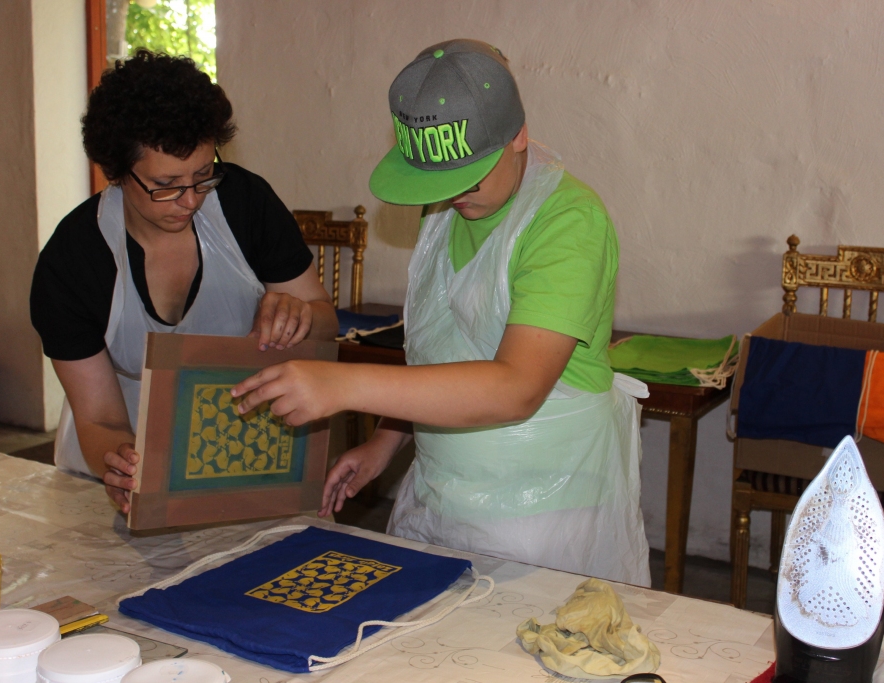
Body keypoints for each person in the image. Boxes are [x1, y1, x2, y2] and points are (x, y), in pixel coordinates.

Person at [232, 39, 650, 584]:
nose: (453, 195)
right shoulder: (446, 208)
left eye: (467, 177)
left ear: (518, 135)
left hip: (548, 516)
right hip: (441, 497)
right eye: (437, 182)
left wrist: (343, 385)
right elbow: (442, 350)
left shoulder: (569, 223)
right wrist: (386, 442)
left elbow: (515, 386)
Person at [30, 50, 338, 513]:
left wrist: (301, 316)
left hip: (240, 450)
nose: (189, 200)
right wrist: (120, 466)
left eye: (202, 175)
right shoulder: (75, 260)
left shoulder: (244, 202)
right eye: (166, 185)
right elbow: (98, 416)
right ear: (114, 172)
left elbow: (326, 325)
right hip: (120, 457)